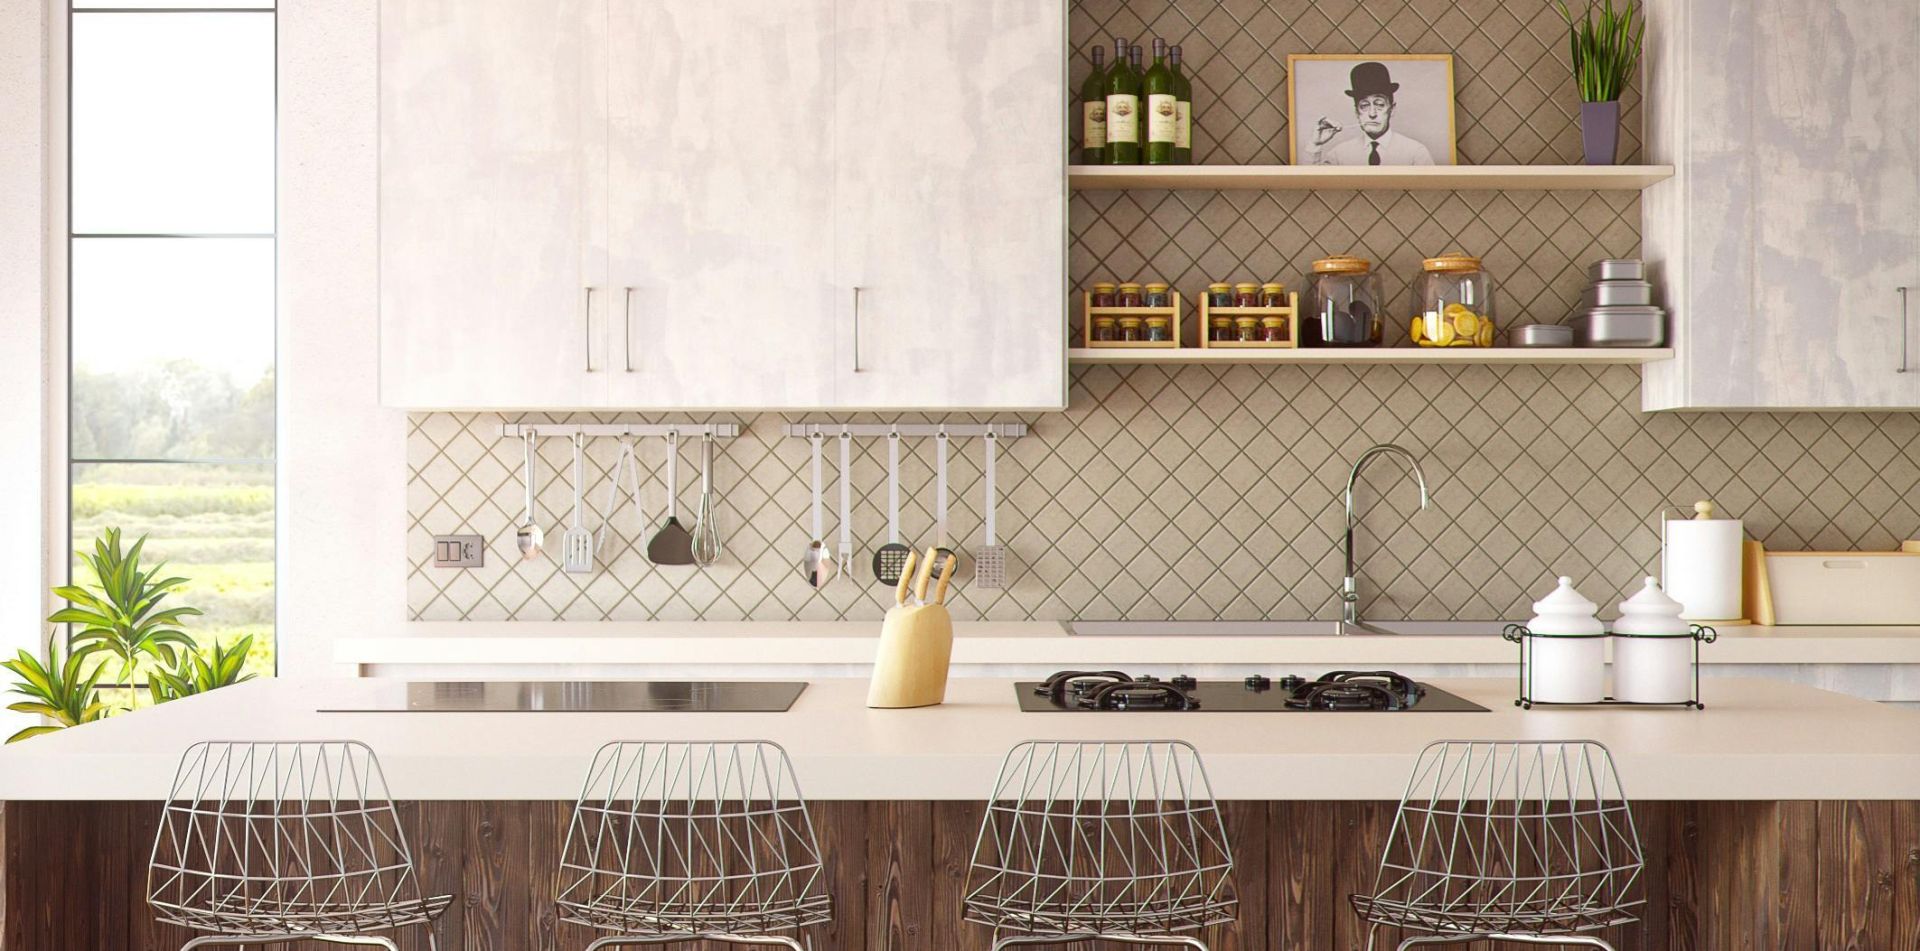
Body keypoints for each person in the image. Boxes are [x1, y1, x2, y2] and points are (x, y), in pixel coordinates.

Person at [1309, 61, 1436, 166]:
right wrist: (1315, 145)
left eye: (1380, 104)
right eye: (1364, 105)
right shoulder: (1338, 155)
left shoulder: (1416, 153)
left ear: (1392, 109)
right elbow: (1312, 185)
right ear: (1357, 112)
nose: (1372, 113)